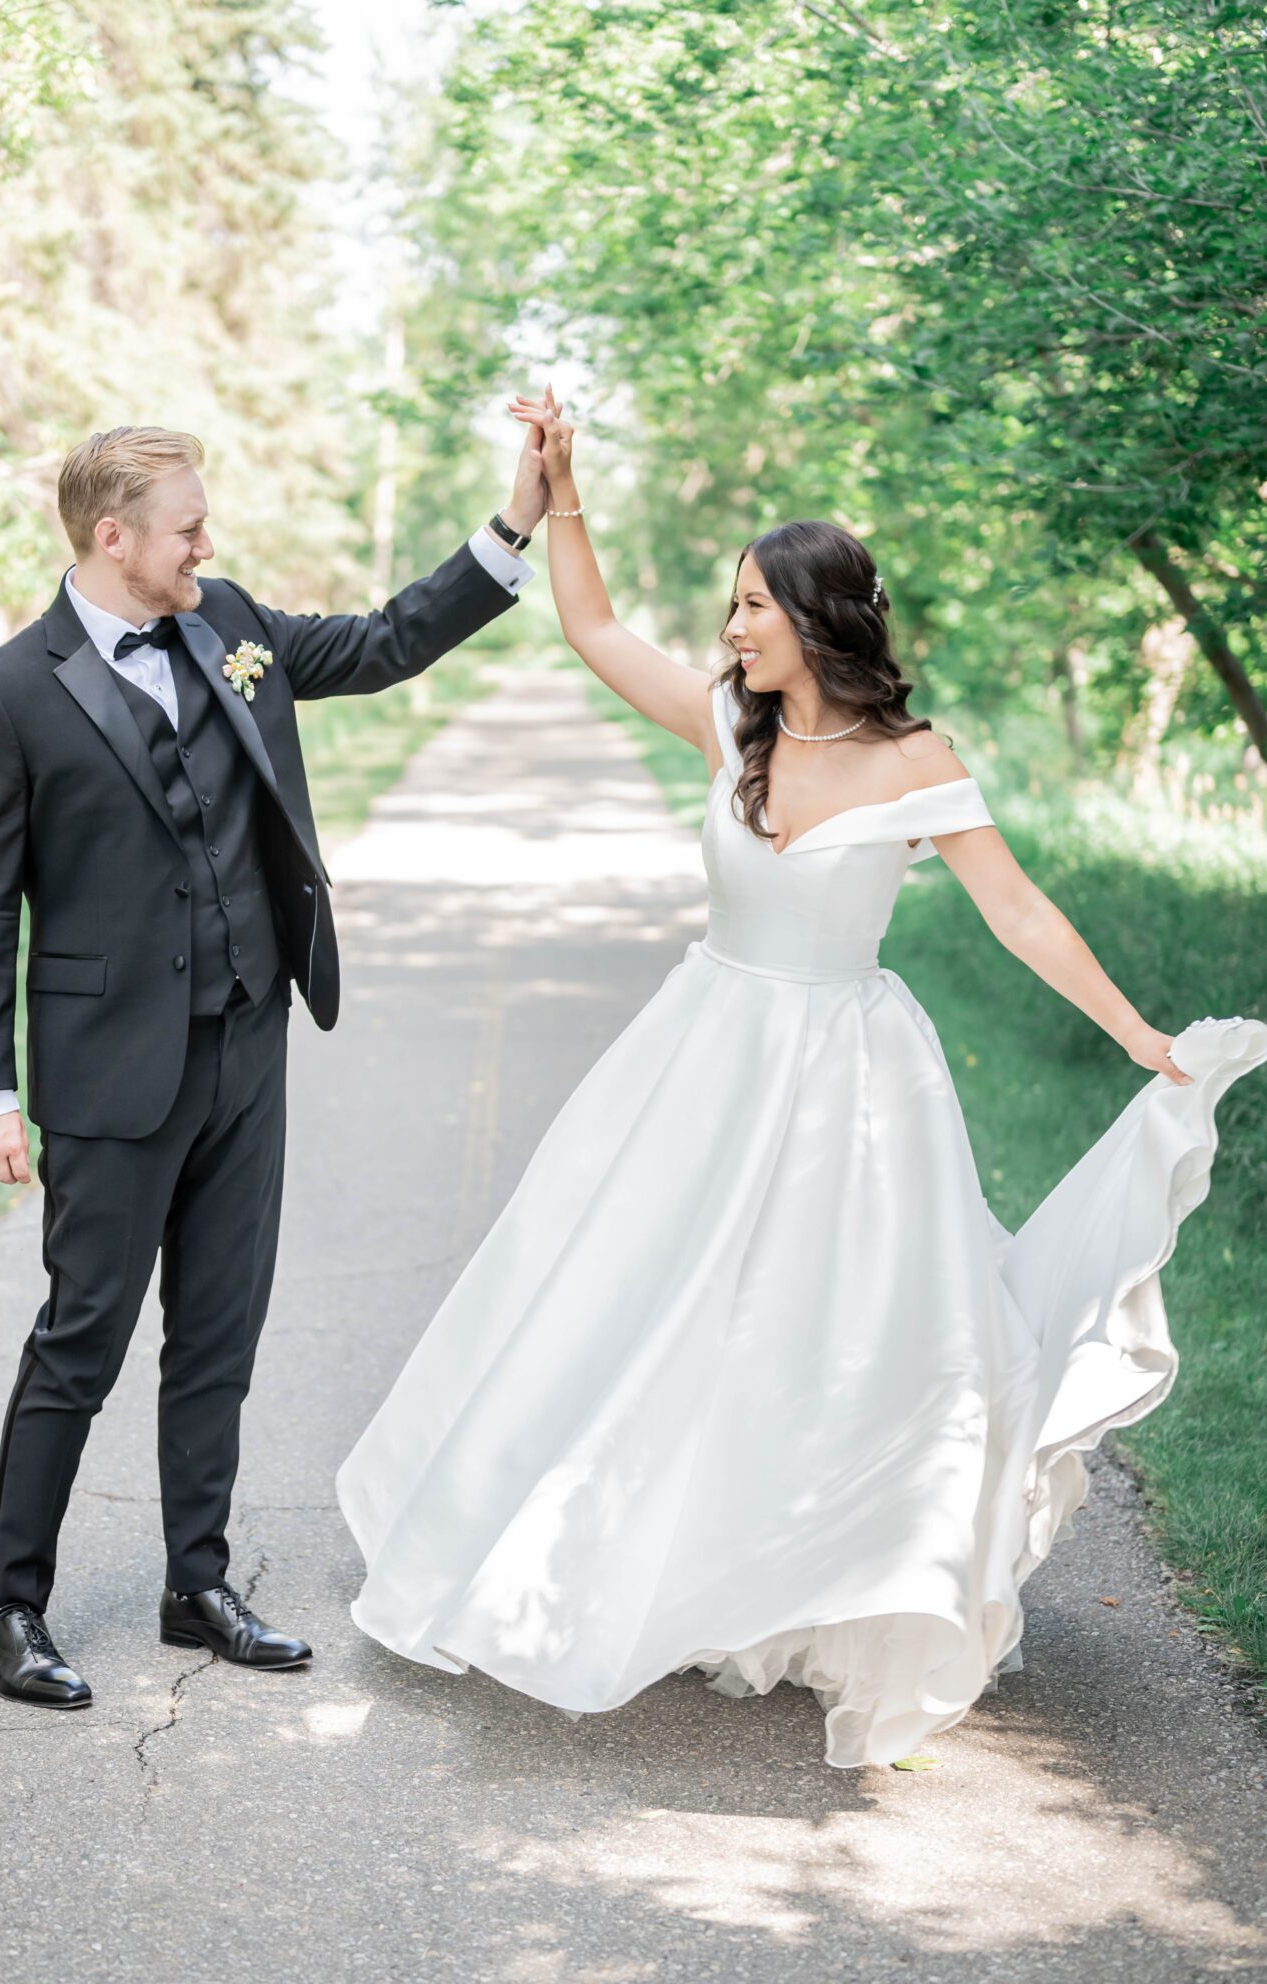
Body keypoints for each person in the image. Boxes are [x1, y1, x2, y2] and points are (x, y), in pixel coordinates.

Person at [334, 389, 1267, 1769]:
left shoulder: (915, 762)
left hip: (850, 1077)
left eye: (753, 608)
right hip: (703, 1053)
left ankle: (831, 1569)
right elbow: (590, 629)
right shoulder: (727, 724)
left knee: (836, 1329)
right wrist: (560, 486)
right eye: (728, 609)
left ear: (818, 618)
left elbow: (1017, 914)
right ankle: (621, 1550)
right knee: (648, 1300)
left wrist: (1136, 1036)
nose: (731, 630)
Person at [0, 422, 545, 1708]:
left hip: (246, 1039)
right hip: (106, 1069)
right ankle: (10, 1606)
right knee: (81, 1339)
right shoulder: (10, 692)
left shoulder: (231, 624)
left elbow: (382, 640)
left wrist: (515, 520)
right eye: (187, 526)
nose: (208, 544)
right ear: (114, 538)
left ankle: (194, 1582)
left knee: (220, 1331)